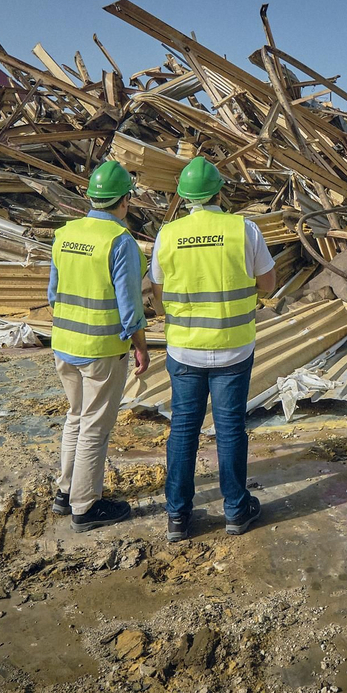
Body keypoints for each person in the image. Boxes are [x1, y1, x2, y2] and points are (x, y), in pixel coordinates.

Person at [150, 156, 277, 542]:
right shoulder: (244, 229)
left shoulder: (168, 234)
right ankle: (237, 511)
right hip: (233, 348)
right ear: (220, 192)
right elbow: (268, 284)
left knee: (183, 430)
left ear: (185, 197)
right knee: (231, 429)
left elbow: (156, 293)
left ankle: (177, 516)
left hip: (185, 349)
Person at [47, 160, 149, 533]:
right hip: (102, 348)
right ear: (124, 202)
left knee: (76, 416)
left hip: (64, 344)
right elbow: (130, 307)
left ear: (91, 197)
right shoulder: (120, 242)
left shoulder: (64, 234)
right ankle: (85, 506)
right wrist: (141, 346)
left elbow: (53, 295)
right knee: (95, 426)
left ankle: (66, 491)